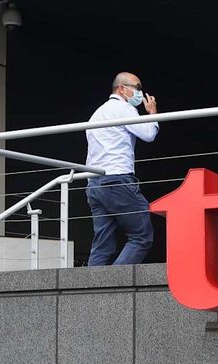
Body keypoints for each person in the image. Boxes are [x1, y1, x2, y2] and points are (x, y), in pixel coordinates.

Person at [84, 72, 159, 265]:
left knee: (102, 245)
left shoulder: (97, 113)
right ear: (121, 88)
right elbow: (149, 134)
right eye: (137, 87)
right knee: (142, 236)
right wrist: (152, 113)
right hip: (117, 179)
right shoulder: (124, 109)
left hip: (94, 184)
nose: (140, 93)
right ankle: (117, 279)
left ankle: (90, 284)